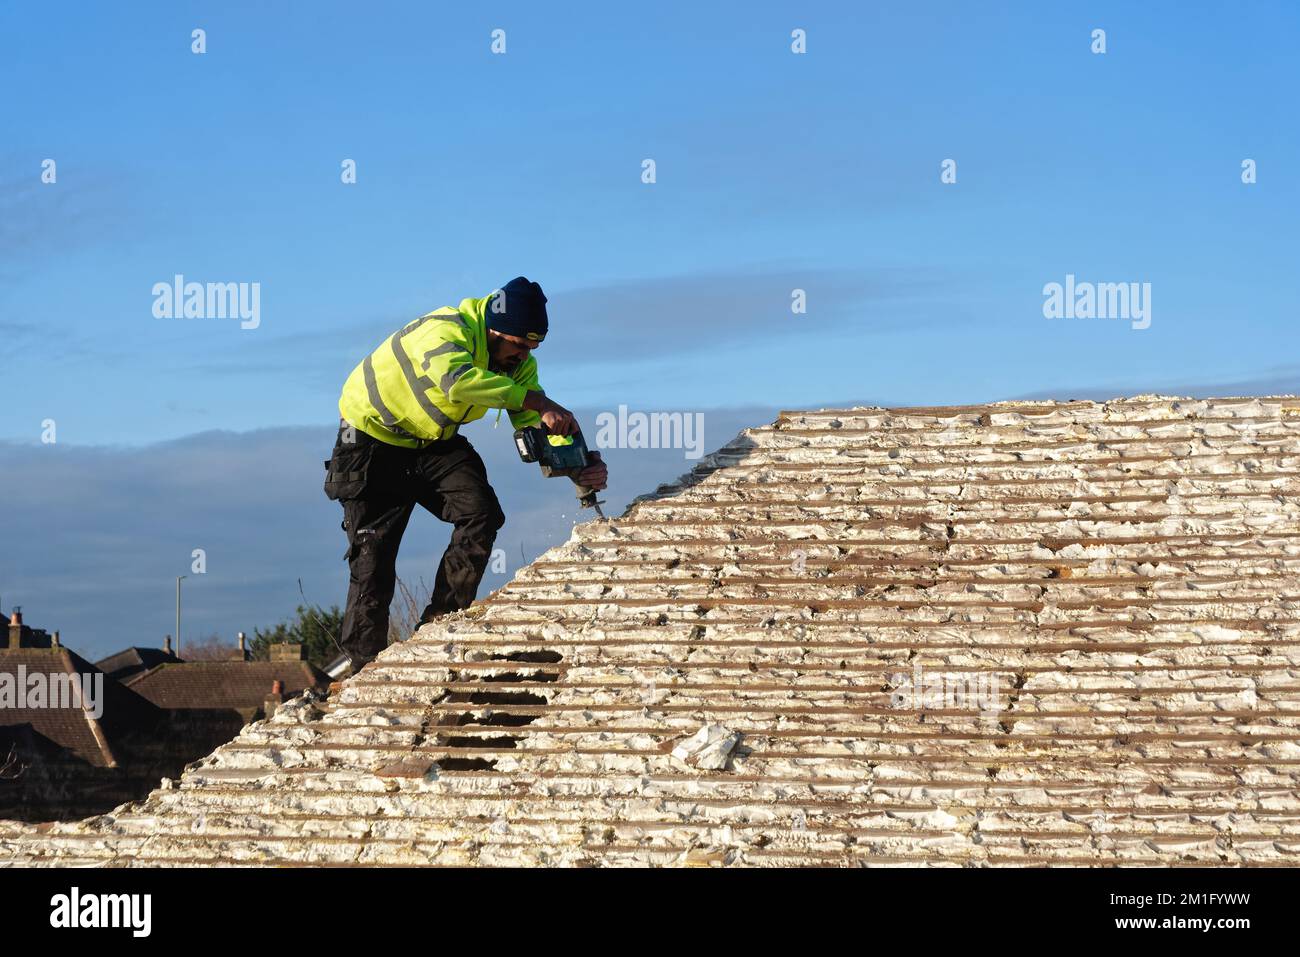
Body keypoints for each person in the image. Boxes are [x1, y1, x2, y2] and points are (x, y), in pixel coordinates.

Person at [322, 276, 607, 672]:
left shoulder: (518, 367)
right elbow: (456, 382)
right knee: (374, 557)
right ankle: (362, 665)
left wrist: (576, 465)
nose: (523, 357)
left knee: (482, 513)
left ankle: (438, 626)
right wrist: (538, 400)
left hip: (432, 442)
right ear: (494, 330)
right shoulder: (444, 330)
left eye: (532, 348)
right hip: (372, 442)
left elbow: (531, 420)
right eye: (519, 346)